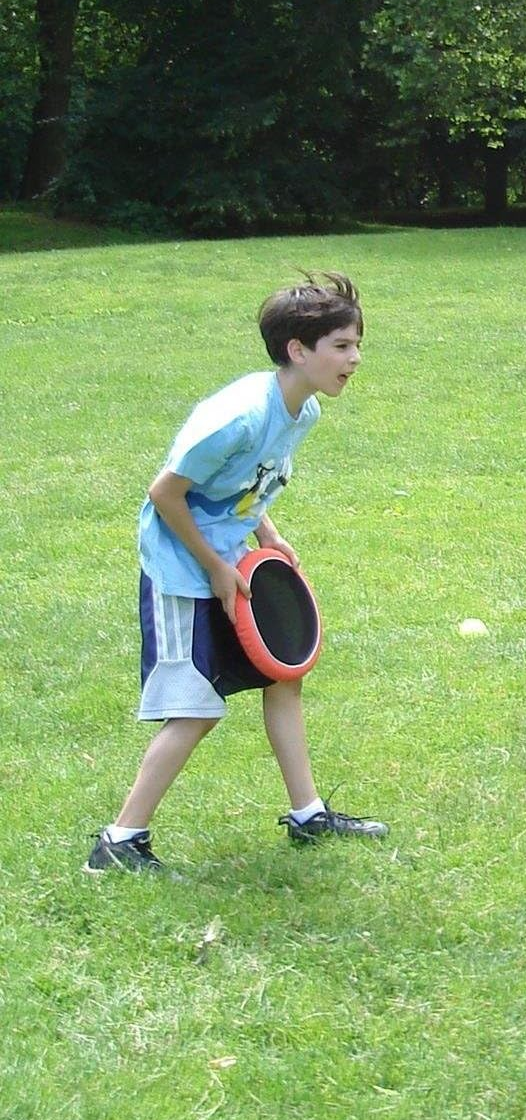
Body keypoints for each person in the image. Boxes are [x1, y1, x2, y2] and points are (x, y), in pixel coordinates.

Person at [86, 272, 388, 874]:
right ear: (297, 350)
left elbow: (248, 483)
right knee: (195, 709)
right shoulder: (238, 417)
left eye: (357, 345)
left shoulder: (302, 412)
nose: (354, 358)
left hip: (232, 558)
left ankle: (307, 816)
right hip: (181, 566)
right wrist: (215, 568)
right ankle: (118, 842)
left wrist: (265, 532)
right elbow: (166, 494)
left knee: (283, 677)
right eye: (341, 346)